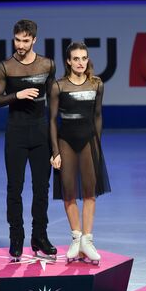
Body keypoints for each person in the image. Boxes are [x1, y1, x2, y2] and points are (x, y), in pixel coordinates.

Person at [0, 19, 57, 261]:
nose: (20, 45)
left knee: (42, 189)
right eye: (17, 40)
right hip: (16, 133)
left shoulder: (48, 65)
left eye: (25, 40)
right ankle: (16, 238)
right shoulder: (6, 67)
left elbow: (54, 105)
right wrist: (16, 95)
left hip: (40, 134)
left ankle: (39, 236)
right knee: (14, 189)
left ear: (34, 40)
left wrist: (56, 145)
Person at [49, 42, 110, 265]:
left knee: (89, 192)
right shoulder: (59, 86)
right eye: (76, 59)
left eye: (84, 58)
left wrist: (97, 144)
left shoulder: (97, 84)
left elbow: (98, 116)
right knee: (68, 191)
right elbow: (53, 121)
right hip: (66, 142)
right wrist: (55, 151)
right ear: (68, 61)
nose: (80, 63)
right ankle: (76, 237)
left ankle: (87, 240)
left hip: (88, 143)